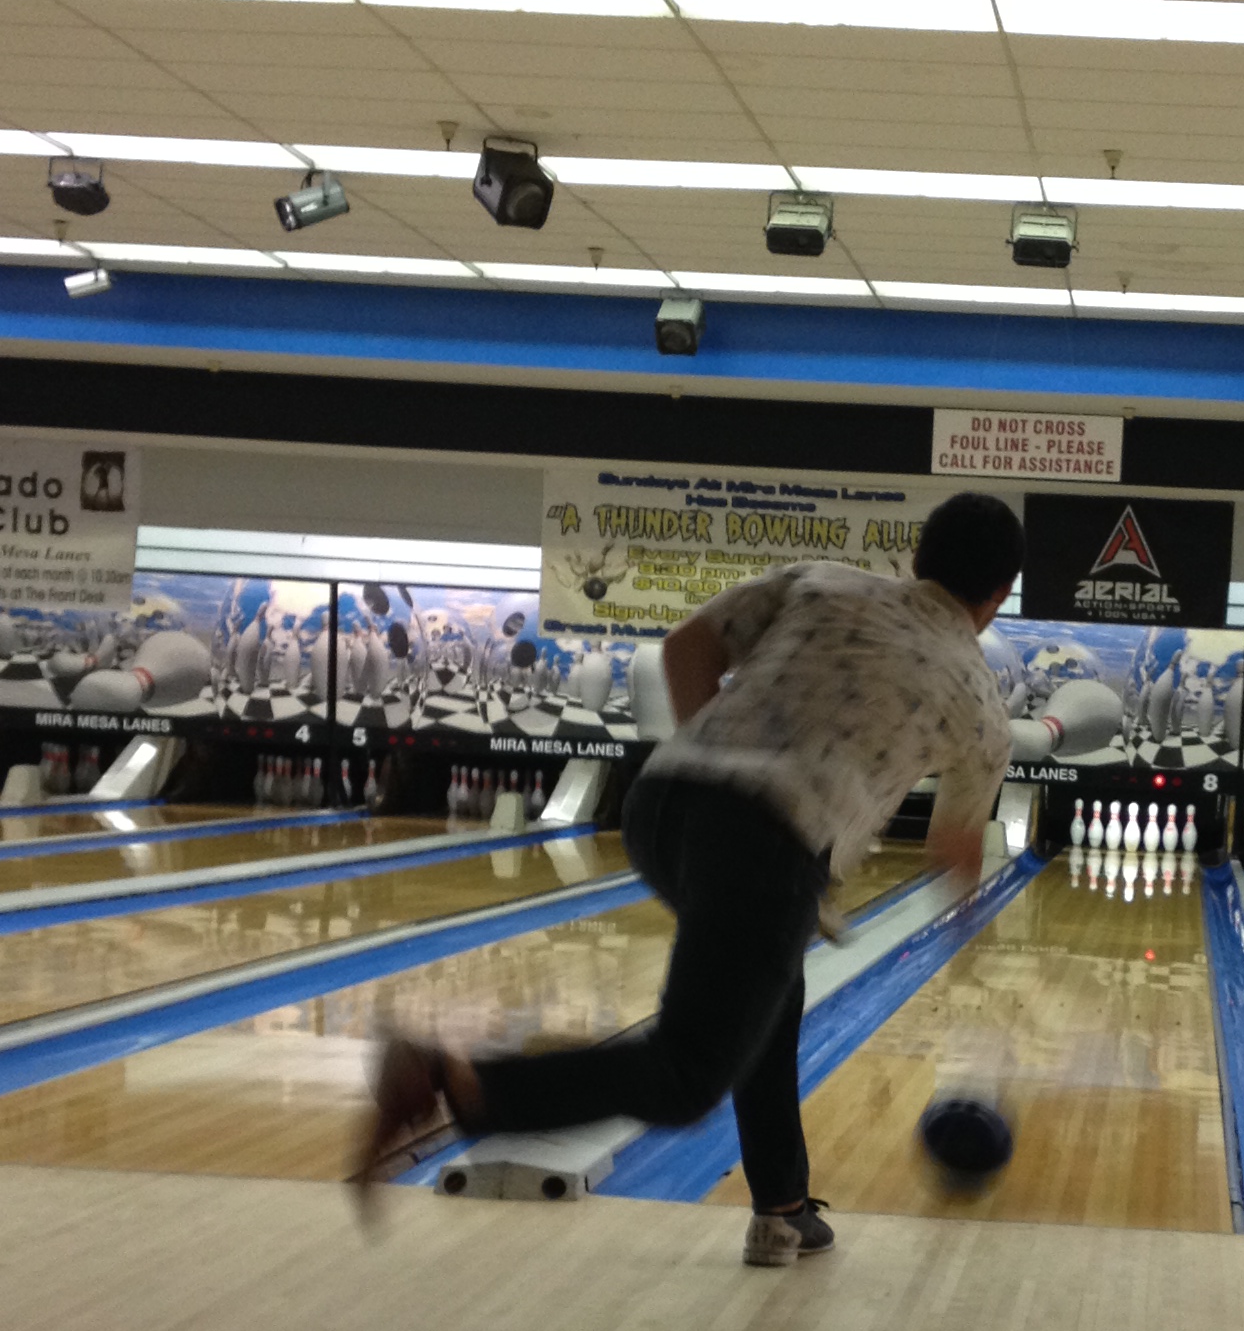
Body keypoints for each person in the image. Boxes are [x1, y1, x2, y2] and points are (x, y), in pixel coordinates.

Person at [351, 489, 1023, 1263]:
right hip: (770, 844)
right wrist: (970, 929)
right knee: (687, 1074)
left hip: (661, 803)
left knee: (768, 997)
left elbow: (685, 649)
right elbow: (953, 848)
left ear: (916, 557)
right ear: (999, 594)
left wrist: (716, 762)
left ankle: (782, 1206)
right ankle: (455, 1079)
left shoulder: (821, 580)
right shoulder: (980, 703)